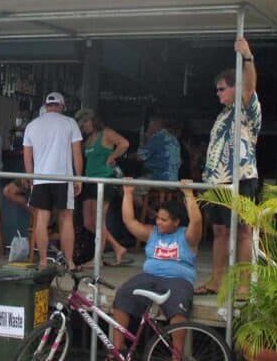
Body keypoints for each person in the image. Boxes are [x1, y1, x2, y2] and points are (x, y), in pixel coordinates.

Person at [197, 37, 260, 296]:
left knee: (244, 231)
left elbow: (249, 89)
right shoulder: (222, 114)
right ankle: (216, 280)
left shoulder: (245, 107)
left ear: (234, 89)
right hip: (218, 181)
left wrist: (247, 58)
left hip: (241, 177)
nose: (219, 93)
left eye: (222, 88)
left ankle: (244, 284)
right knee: (220, 231)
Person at [112, 179, 201, 358]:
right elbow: (129, 221)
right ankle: (117, 351)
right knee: (122, 295)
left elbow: (197, 220)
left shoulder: (187, 236)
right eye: (157, 218)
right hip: (150, 276)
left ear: (176, 222)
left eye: (163, 220)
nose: (158, 222)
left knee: (178, 309)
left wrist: (189, 194)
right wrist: (128, 193)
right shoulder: (152, 233)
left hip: (178, 280)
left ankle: (177, 355)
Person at [23, 92, 84, 269]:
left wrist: (31, 177)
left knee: (41, 220)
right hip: (63, 178)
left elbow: (27, 157)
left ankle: (42, 261)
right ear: (62, 106)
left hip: (40, 179)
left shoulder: (32, 125)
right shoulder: (69, 123)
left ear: (46, 106)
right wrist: (78, 178)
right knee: (66, 219)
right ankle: (70, 262)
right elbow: (77, 154)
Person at [74, 108, 130, 267]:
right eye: (81, 123)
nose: (83, 125)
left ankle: (97, 258)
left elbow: (124, 144)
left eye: (86, 122)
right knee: (88, 222)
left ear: (93, 120)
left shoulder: (106, 133)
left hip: (104, 179)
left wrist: (112, 157)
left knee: (99, 221)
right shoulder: (88, 138)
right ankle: (117, 247)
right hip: (89, 181)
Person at [134, 113, 181, 182]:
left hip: (159, 179)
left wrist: (143, 140)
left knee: (132, 187)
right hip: (173, 180)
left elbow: (139, 157)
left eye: (149, 125)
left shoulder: (157, 138)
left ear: (154, 124)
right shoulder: (174, 139)